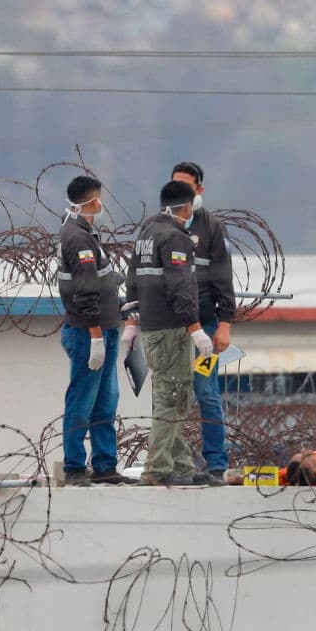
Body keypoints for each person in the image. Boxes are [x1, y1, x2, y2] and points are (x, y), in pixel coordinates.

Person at [124, 180, 214, 486]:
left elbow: (132, 278)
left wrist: (132, 319)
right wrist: (196, 328)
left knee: (171, 396)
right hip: (172, 330)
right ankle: (158, 468)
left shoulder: (148, 233)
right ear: (187, 207)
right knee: (173, 398)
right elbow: (179, 288)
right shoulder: (174, 238)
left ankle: (181, 465)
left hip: (152, 327)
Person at [57, 175, 135, 486]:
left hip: (107, 327)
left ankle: (105, 465)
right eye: (99, 198)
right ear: (93, 201)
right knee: (82, 400)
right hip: (89, 333)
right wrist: (96, 338)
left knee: (106, 401)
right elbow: (85, 292)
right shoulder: (78, 238)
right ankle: (75, 466)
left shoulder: (87, 233)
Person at [170, 162, 237, 486]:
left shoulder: (212, 228)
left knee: (205, 391)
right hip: (171, 329)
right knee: (171, 394)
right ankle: (174, 460)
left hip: (206, 330)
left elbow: (224, 279)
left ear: (199, 189)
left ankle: (215, 462)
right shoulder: (161, 226)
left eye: (186, 186)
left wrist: (225, 324)